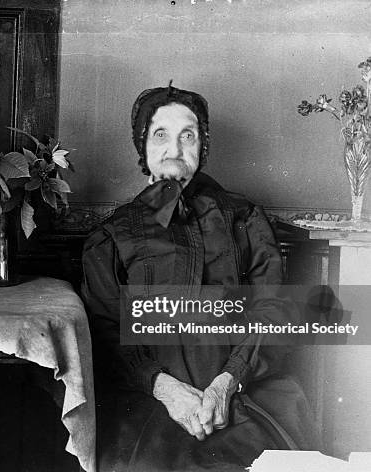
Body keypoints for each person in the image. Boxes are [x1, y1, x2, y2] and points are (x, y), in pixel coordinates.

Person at [81, 84, 319, 471]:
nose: (174, 150)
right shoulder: (112, 237)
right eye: (161, 135)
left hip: (245, 400)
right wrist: (167, 390)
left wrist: (228, 382)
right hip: (150, 403)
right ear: (142, 145)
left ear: (202, 146)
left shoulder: (244, 220)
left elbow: (274, 312)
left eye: (187, 136)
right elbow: (105, 331)